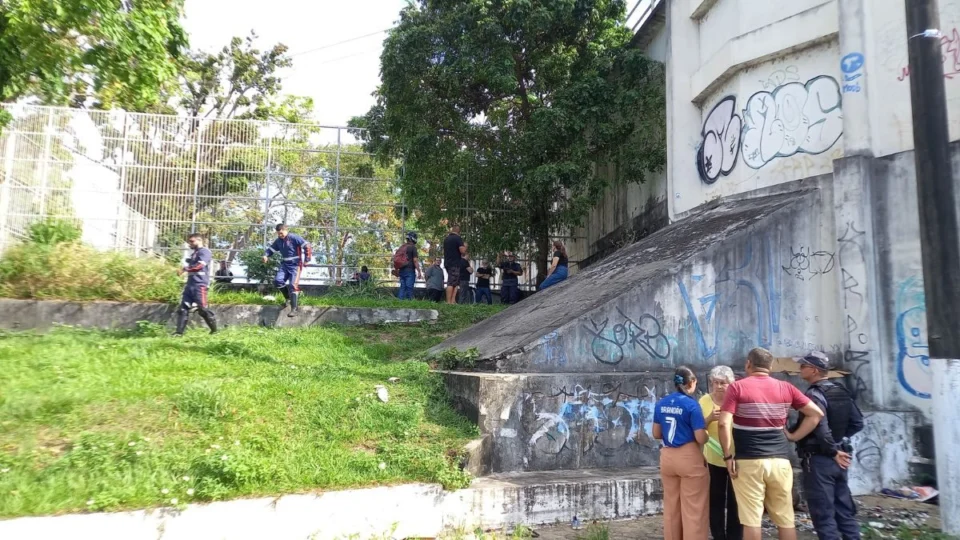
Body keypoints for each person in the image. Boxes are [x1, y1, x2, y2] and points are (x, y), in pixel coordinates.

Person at [719, 348, 825, 540]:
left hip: (748, 462)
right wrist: (793, 436)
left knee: (752, 520)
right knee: (785, 519)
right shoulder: (786, 388)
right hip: (780, 462)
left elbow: (723, 423)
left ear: (748, 364)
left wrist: (727, 456)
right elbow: (816, 414)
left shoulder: (737, 387)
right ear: (770, 366)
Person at [787, 351, 864, 540]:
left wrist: (832, 450)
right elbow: (857, 423)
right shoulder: (841, 391)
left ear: (814, 370)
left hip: (820, 459)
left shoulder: (814, 395)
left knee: (823, 514)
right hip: (840, 458)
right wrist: (838, 442)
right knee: (844, 510)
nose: (800, 369)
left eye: (803, 366)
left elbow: (820, 426)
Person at [653, 366, 709, 540]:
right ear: (691, 382)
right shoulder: (692, 405)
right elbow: (700, 438)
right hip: (689, 458)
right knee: (694, 509)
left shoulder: (662, 403)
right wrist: (706, 433)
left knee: (671, 507)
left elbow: (656, 434)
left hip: (667, 457)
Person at [700, 366, 742, 540]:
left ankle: (734, 536)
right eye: (715, 382)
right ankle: (718, 535)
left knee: (736, 501)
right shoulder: (705, 400)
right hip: (713, 458)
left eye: (723, 383)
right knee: (715, 499)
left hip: (736, 458)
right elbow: (697, 428)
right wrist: (710, 418)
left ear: (731, 383)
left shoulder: (738, 400)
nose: (718, 386)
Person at [263, 223, 312, 317]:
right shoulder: (278, 241)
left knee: (293, 285)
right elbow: (271, 249)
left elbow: (307, 246)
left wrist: (307, 260)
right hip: (285, 264)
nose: (280, 235)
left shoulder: (294, 237)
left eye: (281, 233)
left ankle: (294, 309)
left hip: (296, 265)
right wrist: (266, 255)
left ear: (286, 230)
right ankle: (288, 298)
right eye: (278, 233)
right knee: (277, 281)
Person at [174, 233, 217, 335]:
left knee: (202, 309)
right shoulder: (195, 253)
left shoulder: (205, 252)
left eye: (192, 241)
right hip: (190, 284)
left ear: (199, 240)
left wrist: (185, 269)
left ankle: (214, 331)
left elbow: (199, 266)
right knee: (183, 309)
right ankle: (178, 333)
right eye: (189, 242)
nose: (190, 243)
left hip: (200, 285)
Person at [442, 224, 466, 304]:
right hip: (455, 263)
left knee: (455, 282)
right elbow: (462, 251)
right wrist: (465, 247)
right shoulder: (458, 238)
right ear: (458, 231)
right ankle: (449, 301)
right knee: (451, 282)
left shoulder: (446, 239)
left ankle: (453, 301)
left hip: (447, 262)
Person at [395, 232, 422, 300]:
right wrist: (419, 271)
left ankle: (400, 301)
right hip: (409, 270)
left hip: (401, 270)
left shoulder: (402, 247)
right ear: (413, 239)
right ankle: (409, 302)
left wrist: (397, 269)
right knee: (409, 287)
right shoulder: (413, 248)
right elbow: (415, 260)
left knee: (402, 287)